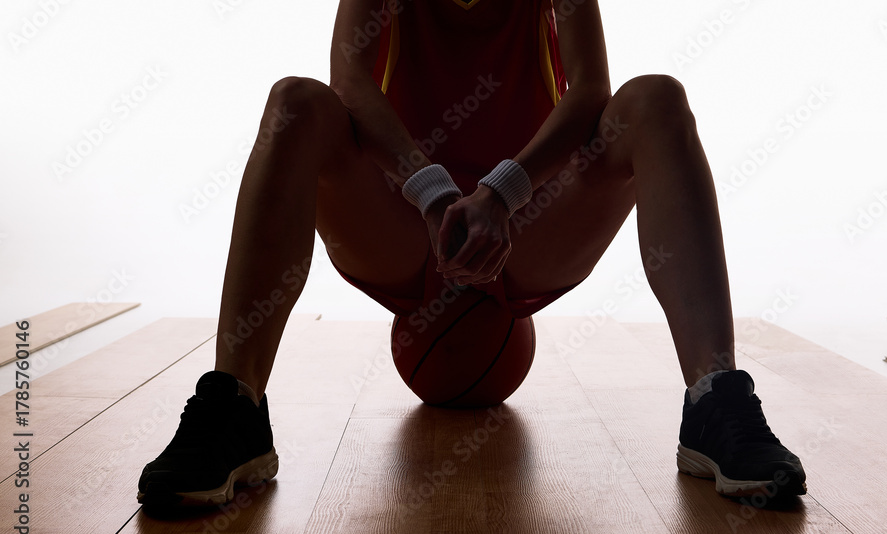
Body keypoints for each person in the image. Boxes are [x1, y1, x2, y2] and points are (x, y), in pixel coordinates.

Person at [137, 0, 806, 506]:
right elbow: (349, 81)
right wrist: (432, 194)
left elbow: (589, 93)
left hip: (527, 229)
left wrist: (500, 194)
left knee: (655, 99)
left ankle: (716, 399)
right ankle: (235, 404)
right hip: (402, 229)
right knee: (295, 101)